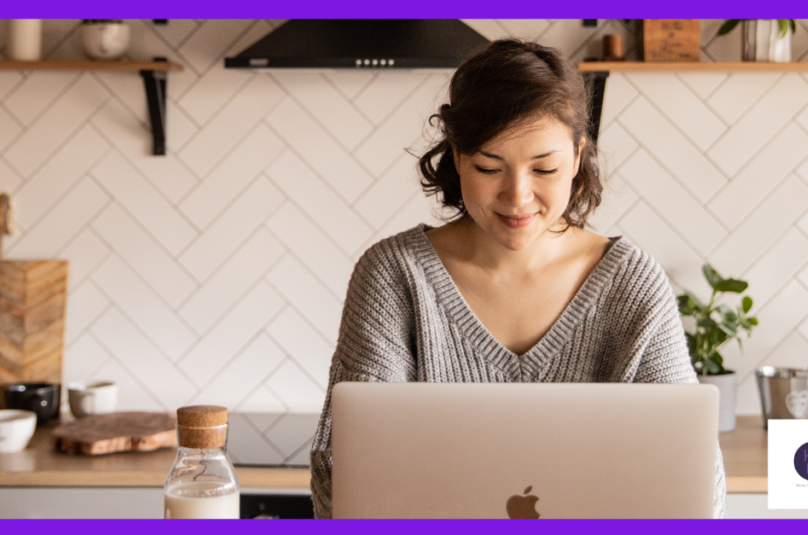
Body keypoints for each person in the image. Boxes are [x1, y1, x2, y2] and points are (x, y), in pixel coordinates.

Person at [309, 38, 727, 519]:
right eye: (490, 167)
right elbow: (343, 476)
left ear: (577, 157)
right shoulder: (393, 277)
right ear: (457, 157)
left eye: (544, 168)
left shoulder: (632, 285)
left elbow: (695, 488)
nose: (518, 196)